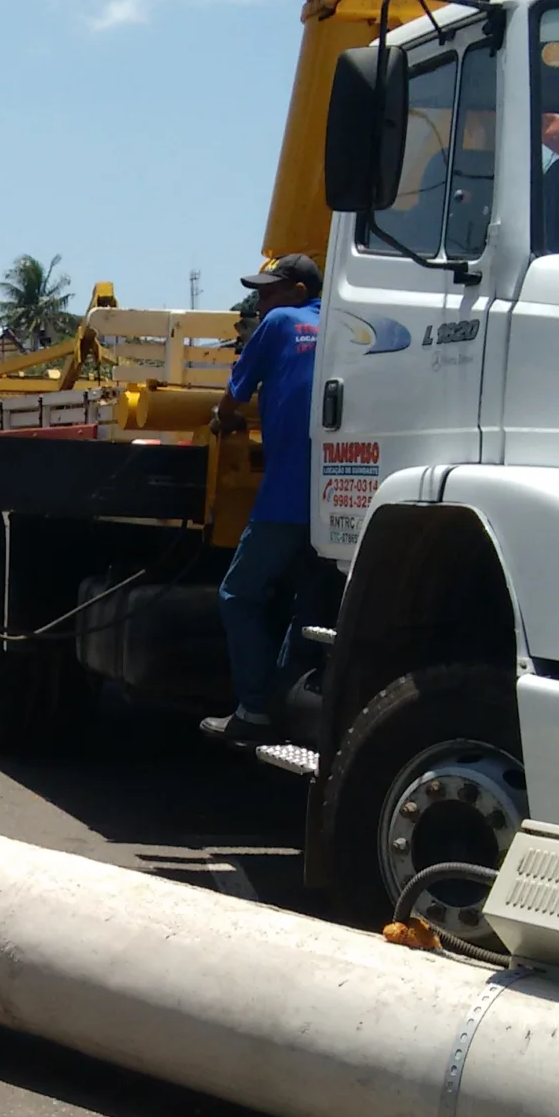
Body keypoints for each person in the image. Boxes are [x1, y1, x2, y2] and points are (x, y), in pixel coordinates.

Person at [201, 253, 322, 749]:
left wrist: (220, 418)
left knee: (238, 594)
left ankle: (254, 709)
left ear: (296, 292)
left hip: (286, 494)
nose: (259, 301)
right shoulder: (344, 321)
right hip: (340, 500)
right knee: (307, 609)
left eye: (268, 292)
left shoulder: (279, 322)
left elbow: (235, 395)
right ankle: (291, 706)